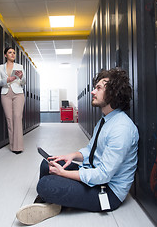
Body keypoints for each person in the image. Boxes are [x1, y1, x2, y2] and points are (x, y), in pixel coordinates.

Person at [16, 68, 139, 225]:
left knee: (46, 184)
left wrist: (63, 174)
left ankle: (50, 200)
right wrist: (71, 156)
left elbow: (103, 176)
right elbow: (91, 151)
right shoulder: (106, 120)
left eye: (99, 88)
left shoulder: (121, 128)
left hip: (107, 191)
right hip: (92, 175)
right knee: (47, 163)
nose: (93, 92)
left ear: (113, 93)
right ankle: (52, 202)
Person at [0, 47, 26, 154]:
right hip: (5, 94)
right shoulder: (0, 68)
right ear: (5, 55)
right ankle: (12, 146)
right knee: (9, 119)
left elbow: (23, 83)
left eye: (14, 53)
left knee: (17, 117)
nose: (13, 54)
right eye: (10, 53)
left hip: (18, 93)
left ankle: (18, 147)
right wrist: (7, 80)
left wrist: (21, 77)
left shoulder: (20, 66)